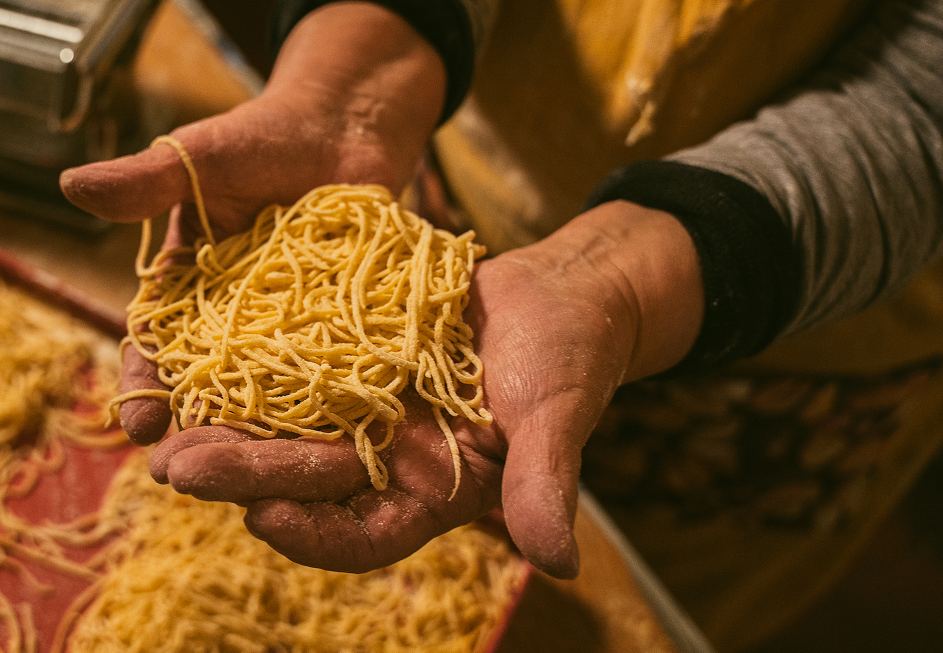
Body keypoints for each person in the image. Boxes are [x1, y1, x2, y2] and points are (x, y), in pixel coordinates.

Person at [61, 0, 943, 645]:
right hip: (452, 203)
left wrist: (622, 281)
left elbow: (921, 104)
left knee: (641, 604)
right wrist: (357, 76)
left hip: (790, 306)